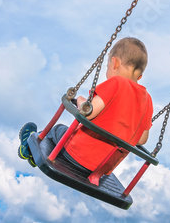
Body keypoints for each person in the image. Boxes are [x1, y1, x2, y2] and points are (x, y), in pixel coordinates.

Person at [18, 37, 153, 174]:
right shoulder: (147, 100)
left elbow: (88, 113)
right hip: (100, 170)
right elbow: (142, 139)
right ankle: (34, 154)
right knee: (65, 134)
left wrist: (80, 100)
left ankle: (28, 147)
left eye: (107, 66)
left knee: (57, 130)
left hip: (76, 154)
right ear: (140, 77)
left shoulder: (116, 83)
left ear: (114, 63)